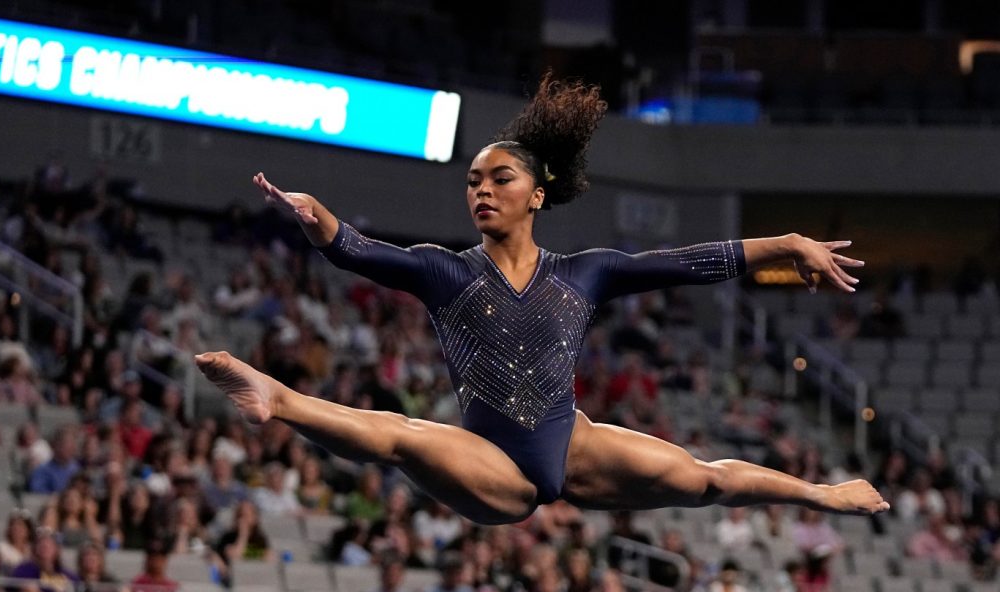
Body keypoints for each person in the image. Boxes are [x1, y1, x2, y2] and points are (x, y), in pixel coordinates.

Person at [196, 73, 887, 526]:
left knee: (704, 480)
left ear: (537, 194)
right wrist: (320, 220)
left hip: (575, 444)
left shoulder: (584, 273)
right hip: (492, 462)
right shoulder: (447, 273)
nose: (482, 191)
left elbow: (687, 263)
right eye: (473, 181)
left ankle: (821, 494)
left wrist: (790, 241)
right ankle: (275, 398)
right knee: (401, 437)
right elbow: (362, 253)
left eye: (499, 179)